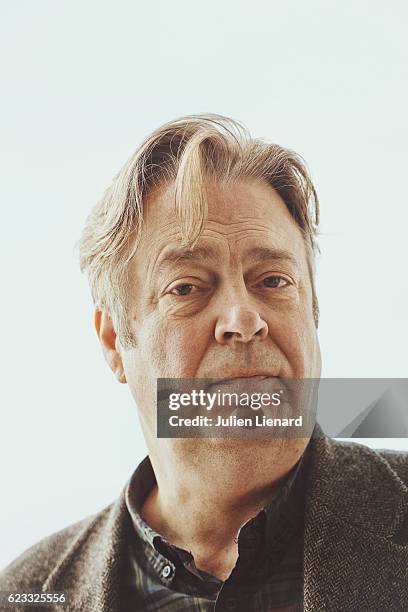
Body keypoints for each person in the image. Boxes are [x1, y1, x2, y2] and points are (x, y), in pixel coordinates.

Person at [1, 115, 408, 612]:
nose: (243, 319)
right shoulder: (24, 595)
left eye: (273, 281)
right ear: (113, 341)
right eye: (187, 287)